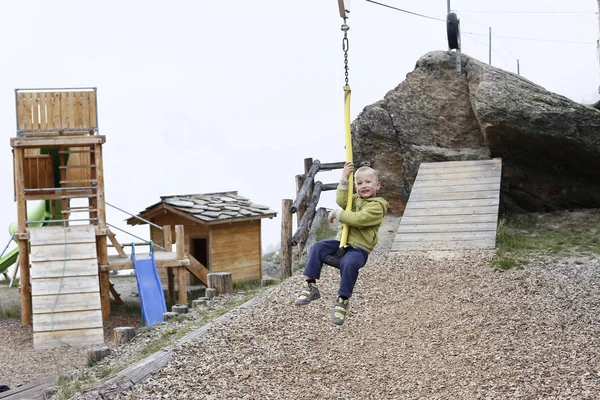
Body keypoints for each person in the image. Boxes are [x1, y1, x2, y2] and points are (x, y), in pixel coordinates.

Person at [295, 161, 389, 325]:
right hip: (341, 243)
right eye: (359, 183)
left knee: (349, 263)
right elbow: (341, 200)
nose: (363, 186)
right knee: (317, 247)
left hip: (358, 250)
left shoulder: (377, 207)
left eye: (368, 182)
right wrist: (344, 178)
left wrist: (338, 213)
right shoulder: (355, 200)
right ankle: (310, 285)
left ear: (378, 185)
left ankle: (343, 299)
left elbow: (359, 219)